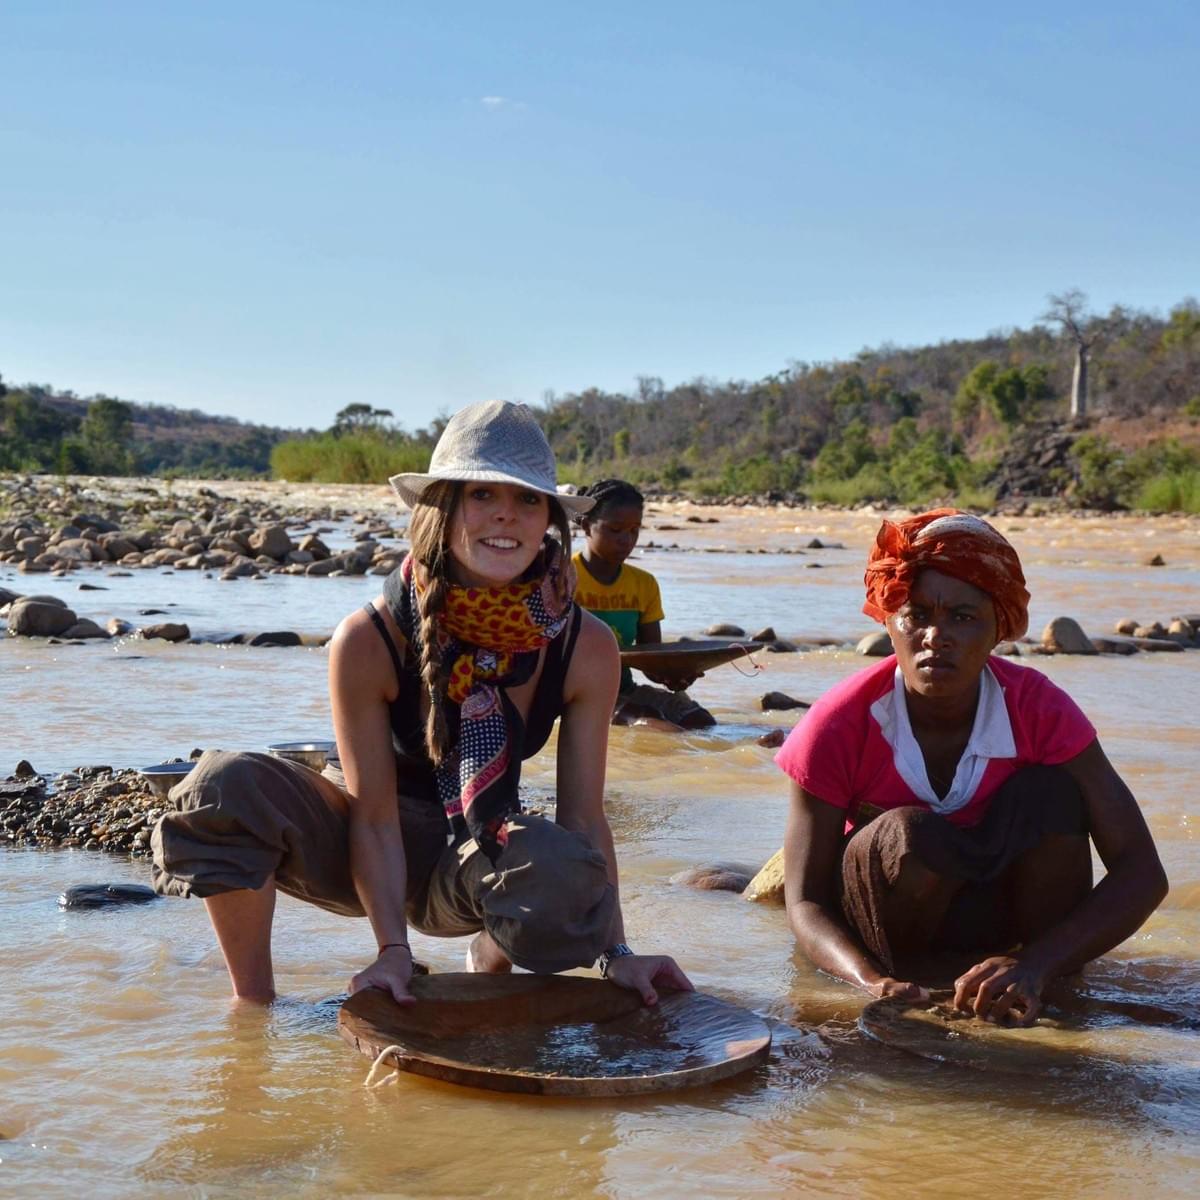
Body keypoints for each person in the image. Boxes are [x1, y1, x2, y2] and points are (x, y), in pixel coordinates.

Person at [152, 401, 692, 1008]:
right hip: (358, 843)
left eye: (528, 499)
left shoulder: (585, 644)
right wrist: (392, 953)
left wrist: (616, 953)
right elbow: (373, 815)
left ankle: (492, 949)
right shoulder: (369, 637)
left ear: (550, 521)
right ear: (443, 506)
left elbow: (585, 819)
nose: (507, 515)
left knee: (559, 863)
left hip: (472, 847)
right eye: (482, 495)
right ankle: (253, 1007)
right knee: (225, 785)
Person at [777, 508, 1167, 1026]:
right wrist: (868, 981)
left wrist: (1039, 964)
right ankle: (920, 989)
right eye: (917, 614)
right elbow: (804, 902)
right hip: (890, 937)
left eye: (963, 617)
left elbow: (1143, 871)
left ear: (997, 630)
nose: (936, 636)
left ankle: (1027, 979)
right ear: (889, 621)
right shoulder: (839, 722)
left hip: (1008, 934)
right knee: (907, 834)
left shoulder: (1039, 709)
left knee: (1051, 794)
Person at [573, 479, 715, 730]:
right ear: (586, 526)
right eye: (615, 530)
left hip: (623, 689)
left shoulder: (644, 584)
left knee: (701, 722)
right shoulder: (563, 576)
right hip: (571, 691)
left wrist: (675, 676)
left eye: (634, 530)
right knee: (648, 723)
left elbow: (650, 659)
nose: (626, 540)